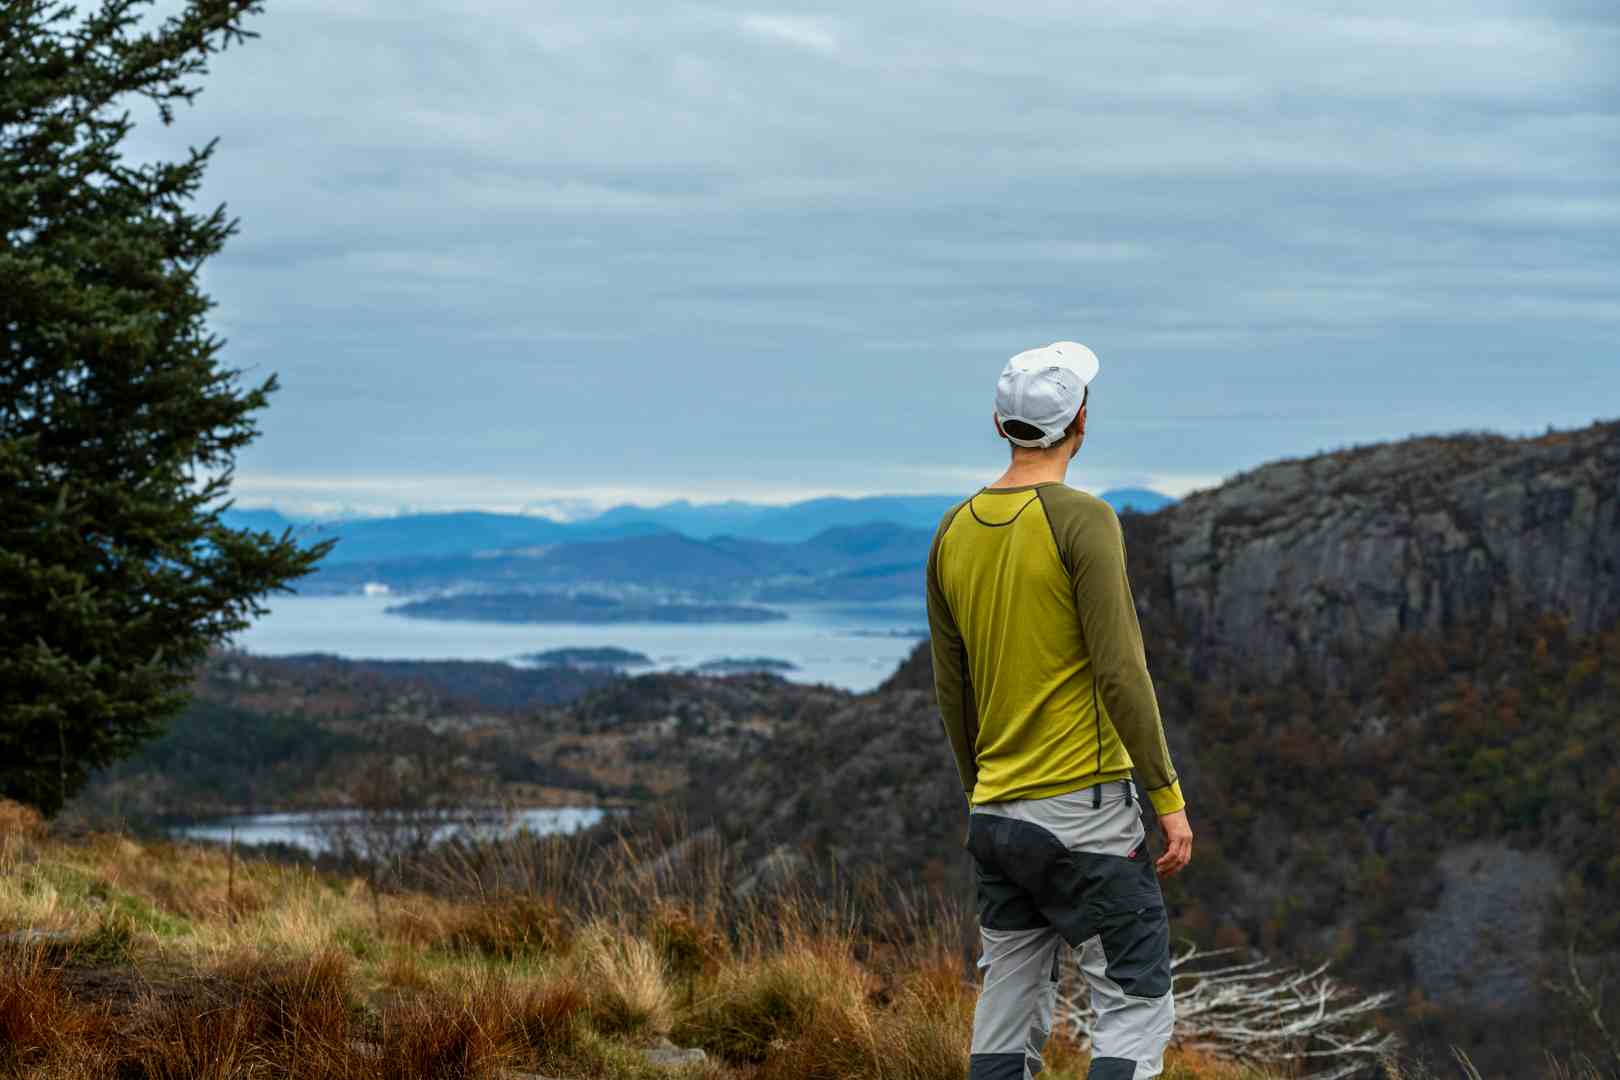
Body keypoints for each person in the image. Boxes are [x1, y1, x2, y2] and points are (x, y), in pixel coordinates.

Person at [925, 341, 1193, 1080]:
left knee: (1008, 1003)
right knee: (1135, 1003)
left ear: (999, 422)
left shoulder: (953, 530)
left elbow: (955, 691)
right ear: (1081, 419)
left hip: (997, 811)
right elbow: (1121, 672)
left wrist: (981, 791)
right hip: (1085, 811)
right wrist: (1166, 798)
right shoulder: (1085, 521)